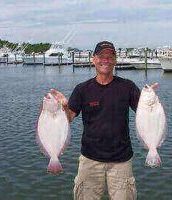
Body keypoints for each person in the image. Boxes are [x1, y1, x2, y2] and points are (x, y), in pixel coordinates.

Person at [51, 41, 157, 200]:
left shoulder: (127, 87)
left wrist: (153, 101)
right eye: (101, 56)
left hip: (121, 161)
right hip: (89, 160)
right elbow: (68, 119)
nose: (105, 60)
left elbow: (146, 114)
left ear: (115, 60)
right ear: (94, 59)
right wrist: (62, 108)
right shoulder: (82, 89)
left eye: (110, 56)